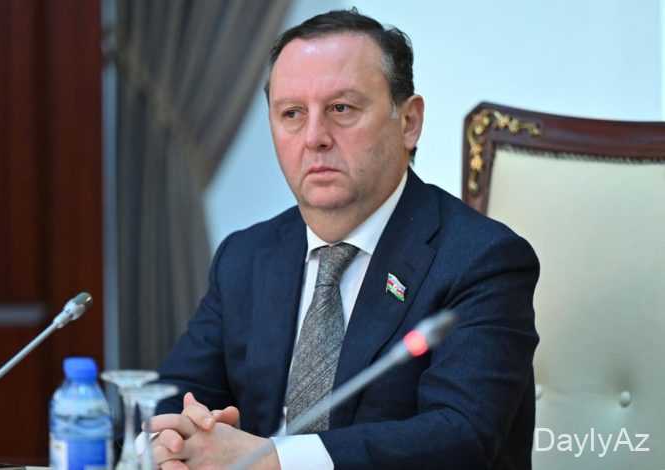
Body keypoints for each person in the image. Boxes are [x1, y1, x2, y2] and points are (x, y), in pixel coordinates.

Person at [147, 8, 539, 470]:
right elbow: (173, 397)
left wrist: (274, 460)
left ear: (409, 121)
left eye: (341, 109)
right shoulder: (245, 256)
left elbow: (460, 436)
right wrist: (174, 439)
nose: (314, 137)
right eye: (292, 114)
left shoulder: (482, 260)